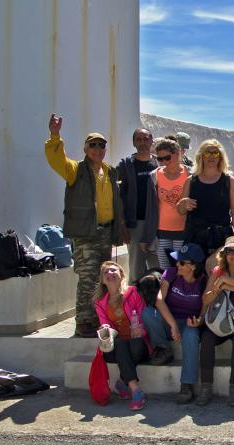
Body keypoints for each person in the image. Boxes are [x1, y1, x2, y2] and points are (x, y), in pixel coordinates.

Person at [46, 115, 125, 336]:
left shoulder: (109, 172)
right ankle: (83, 321)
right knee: (88, 277)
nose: (97, 149)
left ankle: (97, 317)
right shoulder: (76, 170)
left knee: (103, 277)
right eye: (93, 145)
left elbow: (116, 202)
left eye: (101, 145)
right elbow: (56, 160)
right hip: (85, 233)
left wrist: (119, 229)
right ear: (85, 148)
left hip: (106, 232)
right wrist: (55, 135)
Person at [141, 243, 208, 403]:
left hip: (189, 322)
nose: (177, 264)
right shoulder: (170, 273)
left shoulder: (204, 281)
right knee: (148, 313)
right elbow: (158, 300)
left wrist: (199, 321)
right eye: (177, 261)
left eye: (182, 262)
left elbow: (205, 310)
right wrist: (173, 325)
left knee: (191, 335)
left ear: (193, 266)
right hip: (168, 318)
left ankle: (186, 384)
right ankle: (163, 349)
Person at [198, 235, 234, 407]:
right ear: (224, 254)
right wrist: (221, 287)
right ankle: (206, 387)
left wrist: (224, 282)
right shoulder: (217, 271)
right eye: (230, 251)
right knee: (207, 339)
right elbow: (206, 300)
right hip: (219, 318)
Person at [94, 260, 151, 410]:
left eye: (113, 270)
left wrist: (141, 330)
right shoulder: (100, 302)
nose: (109, 274)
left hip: (138, 343)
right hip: (116, 346)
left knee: (134, 344)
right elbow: (106, 327)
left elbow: (144, 317)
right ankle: (136, 390)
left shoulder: (133, 293)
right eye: (105, 272)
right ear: (102, 280)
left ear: (122, 275)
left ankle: (123, 382)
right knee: (120, 344)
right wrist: (105, 329)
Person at [179, 139, 234, 257]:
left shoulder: (229, 180)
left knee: (219, 273)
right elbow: (181, 211)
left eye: (215, 153)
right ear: (201, 156)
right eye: (207, 153)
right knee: (194, 273)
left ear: (220, 157)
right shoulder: (191, 181)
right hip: (195, 237)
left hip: (221, 237)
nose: (211, 157)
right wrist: (183, 203)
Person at [138, 137, 189, 271]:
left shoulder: (190, 174)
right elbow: (150, 208)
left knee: (183, 270)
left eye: (167, 158)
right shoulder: (154, 176)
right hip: (162, 232)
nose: (163, 162)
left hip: (183, 231)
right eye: (160, 159)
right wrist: (146, 236)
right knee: (166, 272)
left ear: (177, 154)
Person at [117, 128, 157, 280]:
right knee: (136, 268)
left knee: (157, 267)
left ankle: (155, 302)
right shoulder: (126, 165)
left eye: (145, 139)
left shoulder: (159, 164)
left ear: (151, 140)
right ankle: (135, 302)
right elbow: (119, 197)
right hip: (135, 224)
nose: (142, 142)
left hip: (156, 224)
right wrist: (122, 226)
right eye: (138, 139)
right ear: (133, 142)